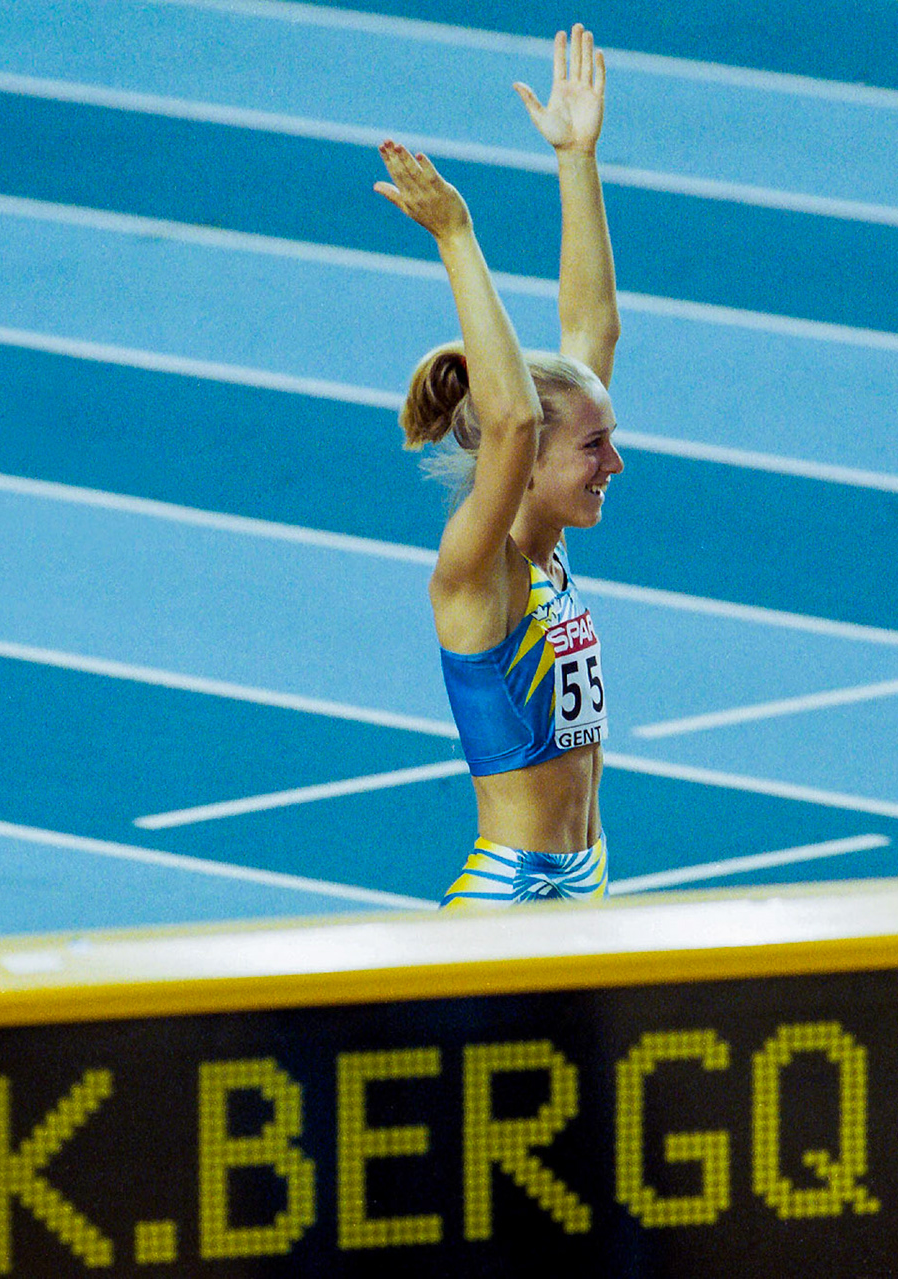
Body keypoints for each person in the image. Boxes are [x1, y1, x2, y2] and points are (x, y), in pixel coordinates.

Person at [374, 25, 623, 908]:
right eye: (593, 446)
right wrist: (455, 236)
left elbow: (591, 329)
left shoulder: (550, 550)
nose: (614, 462)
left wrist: (576, 160)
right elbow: (515, 417)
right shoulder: (477, 566)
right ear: (529, 462)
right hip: (513, 900)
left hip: (586, 881)